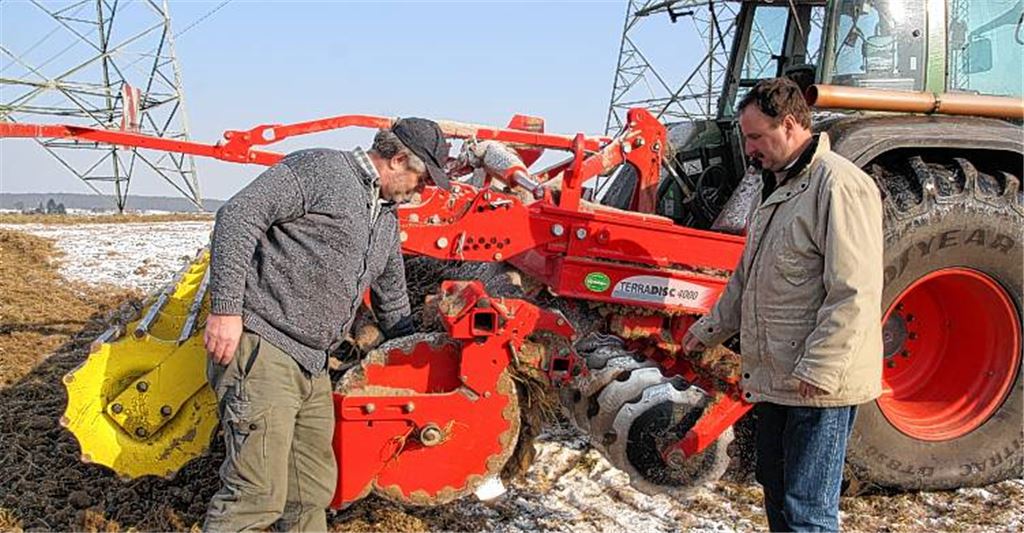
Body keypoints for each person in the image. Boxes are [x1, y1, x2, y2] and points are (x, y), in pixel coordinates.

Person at [202, 117, 450, 531]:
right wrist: (225, 310)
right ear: (399, 159)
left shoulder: (385, 218)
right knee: (256, 494)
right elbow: (238, 216)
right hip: (264, 346)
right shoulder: (320, 170)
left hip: (313, 363)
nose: (422, 191)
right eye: (422, 179)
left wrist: (423, 362)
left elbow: (392, 298)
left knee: (311, 491)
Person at [683, 77, 883, 532]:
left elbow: (855, 288)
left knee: (807, 508)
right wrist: (708, 329)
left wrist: (820, 367)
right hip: (778, 373)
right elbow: (747, 277)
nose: (750, 148)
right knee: (776, 487)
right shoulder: (776, 187)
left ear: (790, 124)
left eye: (755, 136)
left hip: (818, 382)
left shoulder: (838, 186)